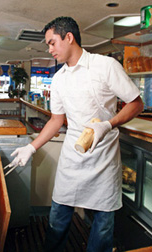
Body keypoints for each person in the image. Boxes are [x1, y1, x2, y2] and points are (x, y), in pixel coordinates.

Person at [10, 17, 144, 252]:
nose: (49, 49)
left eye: (52, 43)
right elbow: (56, 120)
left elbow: (136, 104)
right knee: (57, 221)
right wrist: (32, 147)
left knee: (102, 227)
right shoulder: (59, 79)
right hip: (72, 159)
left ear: (68, 37)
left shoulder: (105, 66)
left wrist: (108, 124)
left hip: (103, 159)